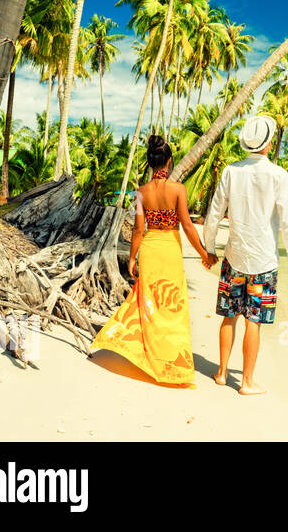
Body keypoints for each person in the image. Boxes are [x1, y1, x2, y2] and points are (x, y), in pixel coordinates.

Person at [90, 134, 214, 387]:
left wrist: (133, 258)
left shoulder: (140, 193)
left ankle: (150, 356)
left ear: (150, 163)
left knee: (150, 305)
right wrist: (204, 254)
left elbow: (137, 230)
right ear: (168, 162)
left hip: (149, 248)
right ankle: (171, 365)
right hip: (169, 249)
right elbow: (188, 226)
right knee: (173, 306)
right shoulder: (178, 190)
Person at [201, 114, 288, 396]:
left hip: (234, 258)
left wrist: (209, 248)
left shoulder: (231, 171)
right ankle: (246, 382)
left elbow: (215, 213)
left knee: (229, 316)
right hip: (263, 263)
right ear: (269, 144)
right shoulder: (279, 175)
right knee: (253, 322)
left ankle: (221, 373)